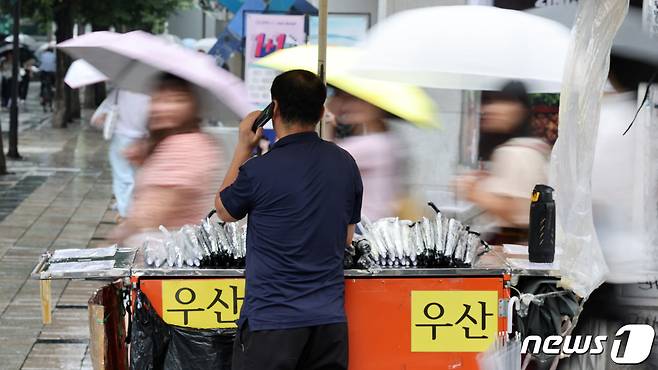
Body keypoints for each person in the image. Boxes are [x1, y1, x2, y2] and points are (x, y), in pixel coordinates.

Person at [215, 70, 363, 370]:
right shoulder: (345, 163)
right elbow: (347, 238)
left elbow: (224, 210)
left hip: (271, 322)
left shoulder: (258, 170)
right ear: (321, 112)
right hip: (328, 324)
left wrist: (243, 146)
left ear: (275, 109)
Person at [110, 74, 222, 243]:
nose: (163, 107)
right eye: (158, 98)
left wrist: (113, 240)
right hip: (165, 253)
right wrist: (146, 162)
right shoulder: (176, 142)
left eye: (176, 100)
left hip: (161, 256)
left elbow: (148, 217)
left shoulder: (184, 147)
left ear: (192, 106)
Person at [455, 81, 551, 244]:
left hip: (514, 245)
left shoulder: (517, 151)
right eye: (490, 102)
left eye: (503, 101)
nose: (490, 110)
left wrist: (473, 192)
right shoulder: (532, 147)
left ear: (520, 110)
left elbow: (513, 210)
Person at [325, 88, 402, 221]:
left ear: (374, 107)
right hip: (371, 221)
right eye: (345, 100)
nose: (347, 107)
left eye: (356, 101)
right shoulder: (384, 139)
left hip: (364, 225)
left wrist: (328, 119)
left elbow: (324, 160)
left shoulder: (373, 144)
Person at [91, 89, 150, 221]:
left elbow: (96, 119)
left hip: (120, 139)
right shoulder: (150, 94)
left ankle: (125, 213)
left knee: (122, 177)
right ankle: (133, 208)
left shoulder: (119, 92)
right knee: (137, 177)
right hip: (142, 140)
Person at [39, 47, 56, 112]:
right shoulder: (54, 55)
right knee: (52, 84)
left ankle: (41, 94)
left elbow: (40, 62)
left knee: (43, 84)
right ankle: (53, 87)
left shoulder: (43, 55)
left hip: (43, 72)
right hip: (51, 72)